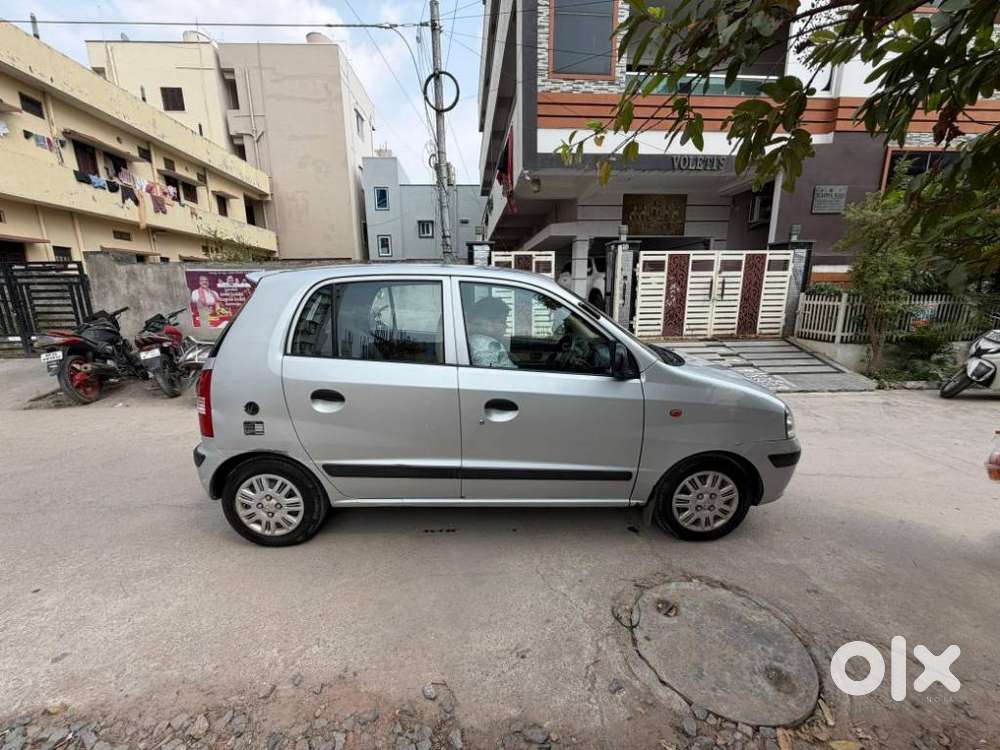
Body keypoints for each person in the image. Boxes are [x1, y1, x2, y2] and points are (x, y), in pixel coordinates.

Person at [467, 296, 516, 368]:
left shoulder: (474, 339)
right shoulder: (491, 345)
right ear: (487, 322)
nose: (506, 326)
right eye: (502, 321)